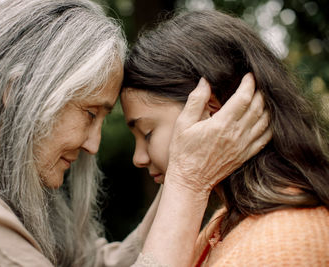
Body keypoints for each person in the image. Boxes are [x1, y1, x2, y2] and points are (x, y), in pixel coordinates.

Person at [0, 1, 270, 266]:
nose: (93, 145)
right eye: (89, 113)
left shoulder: (3, 188)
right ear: (16, 93)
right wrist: (190, 180)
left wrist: (188, 163)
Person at [122, 9, 329, 267]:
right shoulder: (223, 223)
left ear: (212, 111)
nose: (138, 158)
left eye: (148, 133)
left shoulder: (286, 242)